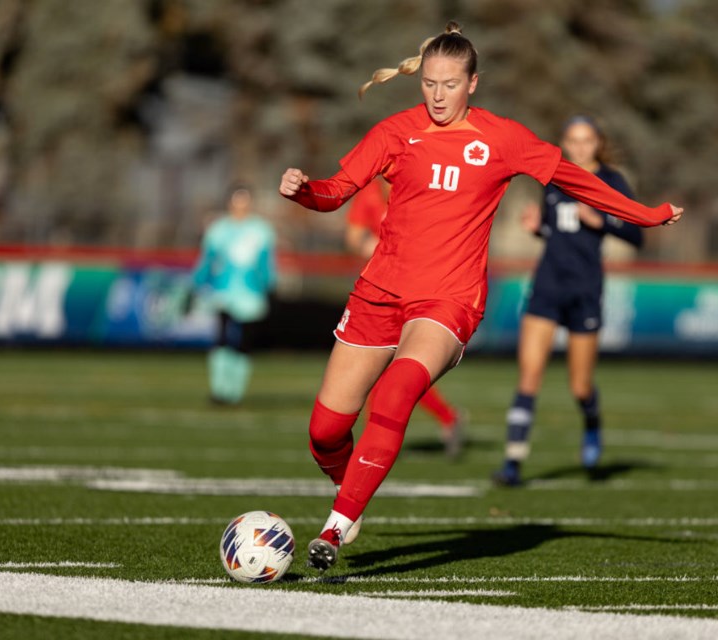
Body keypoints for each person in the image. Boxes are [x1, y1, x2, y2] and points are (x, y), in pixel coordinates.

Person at [278, 21, 682, 571]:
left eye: (450, 84)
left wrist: (647, 215)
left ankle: (337, 523)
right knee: (324, 432)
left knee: (397, 392)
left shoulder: (503, 138)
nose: (438, 96)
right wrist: (305, 192)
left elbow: (577, 180)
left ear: (473, 83)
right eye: (429, 84)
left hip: (448, 300)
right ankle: (351, 483)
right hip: (379, 292)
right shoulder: (396, 132)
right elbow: (335, 192)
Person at [492, 115, 643, 486]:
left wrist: (603, 221)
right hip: (547, 285)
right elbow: (557, 229)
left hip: (585, 290)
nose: (578, 147)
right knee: (529, 376)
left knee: (580, 386)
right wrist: (538, 227)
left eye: (586, 140)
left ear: (598, 143)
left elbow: (636, 236)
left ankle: (592, 422)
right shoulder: (555, 175)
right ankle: (513, 462)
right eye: (572, 140)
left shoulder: (611, 181)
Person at [345, 177, 466, 458]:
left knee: (399, 370)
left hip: (416, 291)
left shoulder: (423, 188)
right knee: (383, 371)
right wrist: (380, 248)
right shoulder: (369, 196)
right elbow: (352, 238)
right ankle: (446, 417)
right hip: (378, 291)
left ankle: (373, 443)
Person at [190, 183, 276, 405]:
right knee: (222, 337)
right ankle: (219, 389)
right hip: (223, 292)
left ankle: (235, 391)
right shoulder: (218, 229)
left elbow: (266, 265)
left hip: (251, 295)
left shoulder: (261, 230)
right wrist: (198, 283)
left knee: (244, 341)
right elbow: (207, 261)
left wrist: (268, 286)